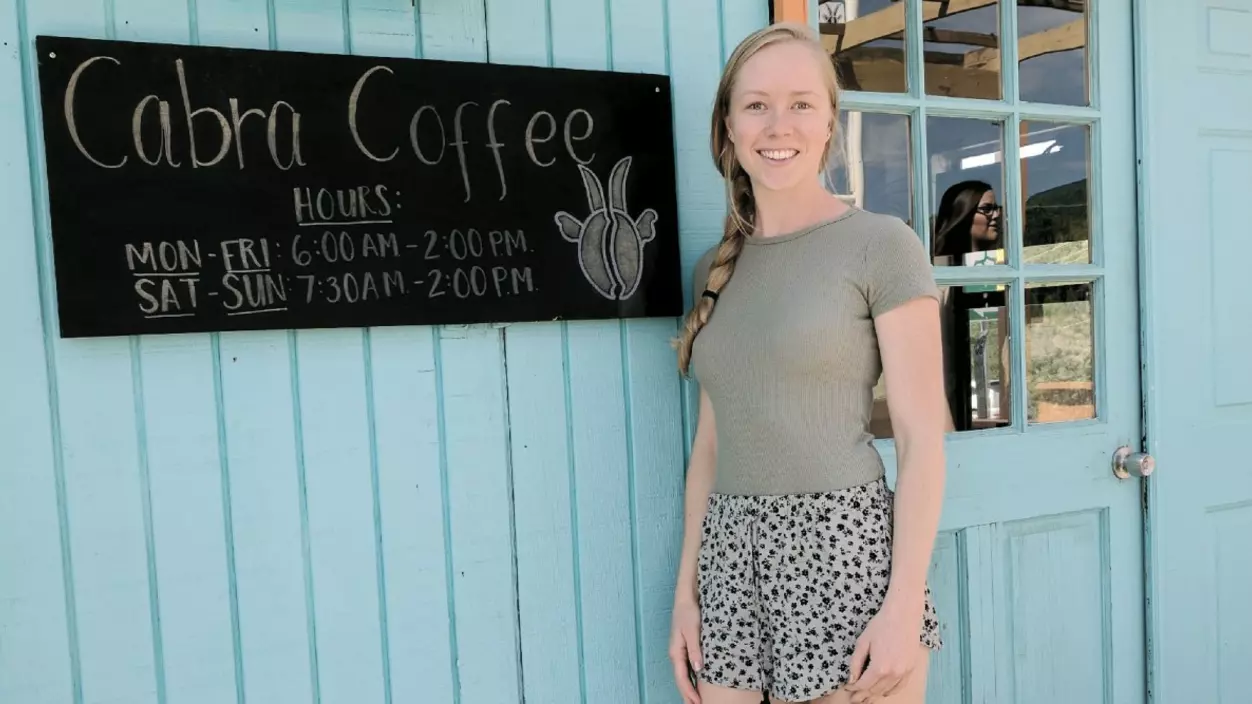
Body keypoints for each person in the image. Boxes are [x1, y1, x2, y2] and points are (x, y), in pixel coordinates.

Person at [668, 22, 946, 704]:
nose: (777, 124)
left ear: (829, 122)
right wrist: (686, 596)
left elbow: (921, 439)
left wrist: (903, 603)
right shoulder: (715, 269)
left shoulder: (882, 245)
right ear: (729, 127)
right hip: (730, 559)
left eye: (800, 103)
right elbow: (710, 445)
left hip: (842, 553)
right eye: (756, 104)